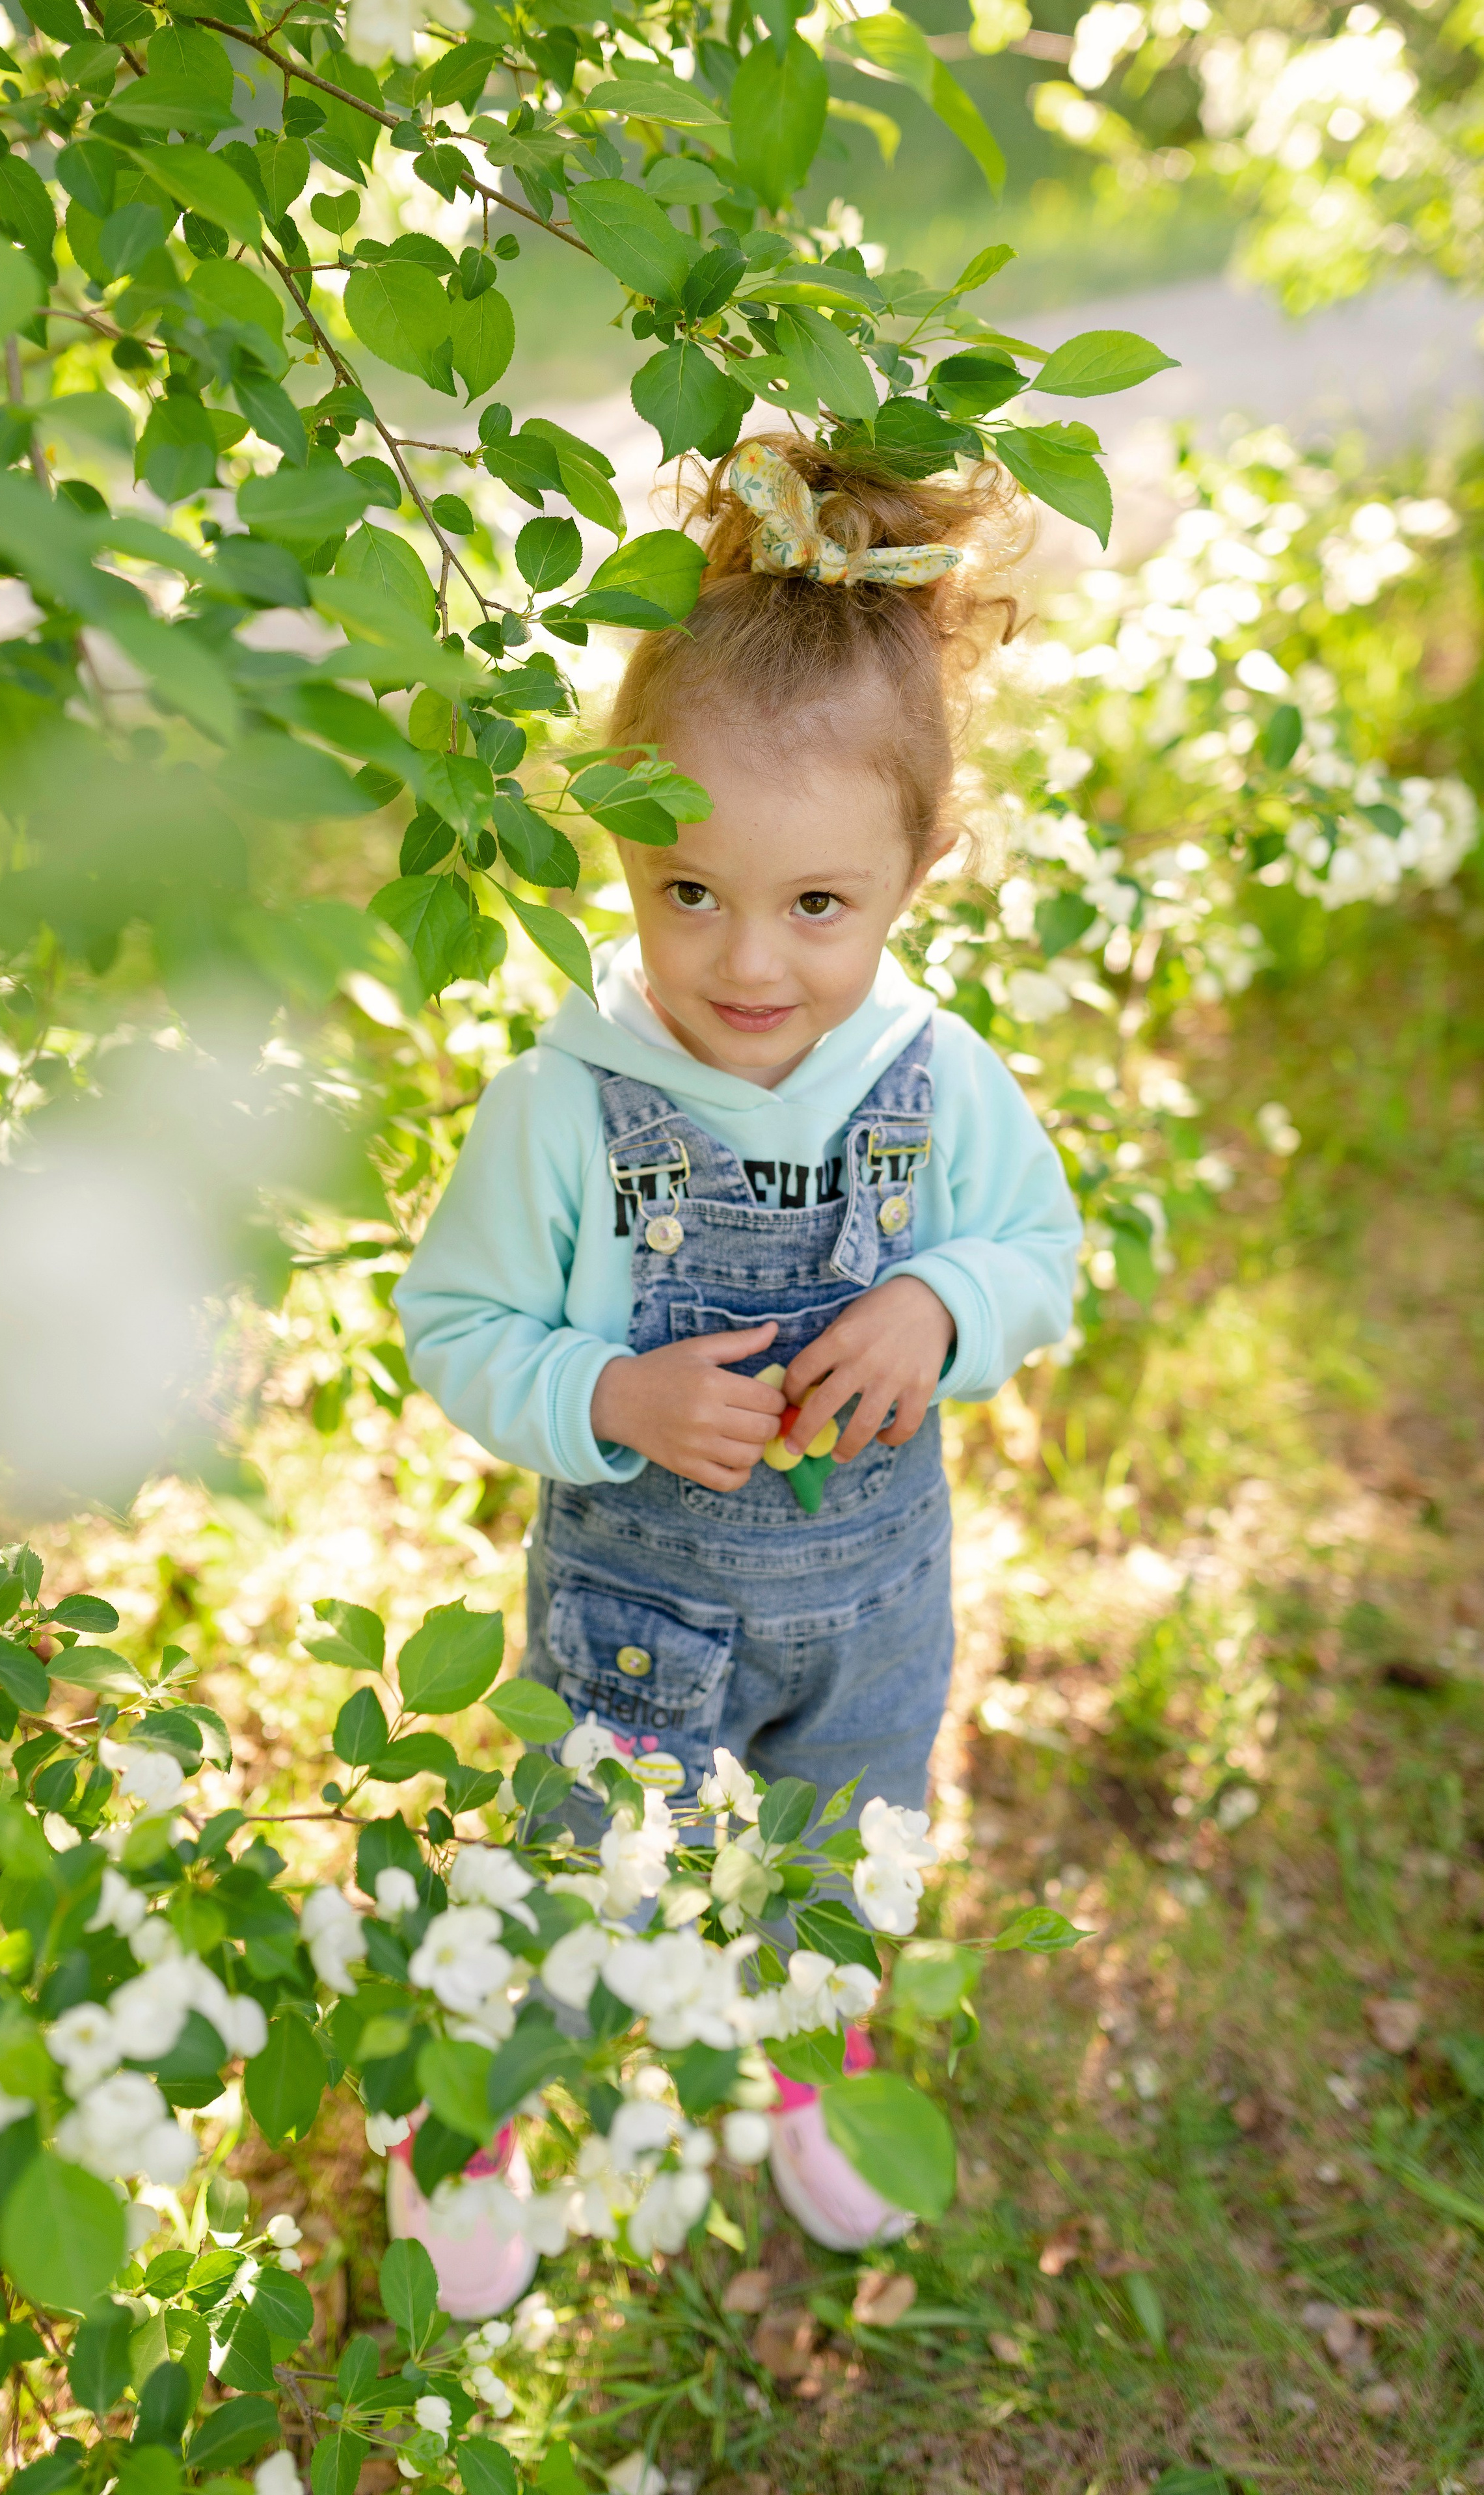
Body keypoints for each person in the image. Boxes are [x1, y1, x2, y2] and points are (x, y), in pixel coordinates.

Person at [391, 435, 1081, 2279]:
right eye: (689, 891)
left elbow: (1041, 1256)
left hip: (870, 1613)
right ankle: (483, 2098)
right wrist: (604, 1396)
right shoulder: (571, 1100)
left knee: (841, 1854)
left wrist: (944, 1305)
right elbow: (452, 1321)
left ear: (913, 868)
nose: (749, 960)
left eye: (816, 905)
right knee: (572, 1872)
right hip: (639, 1616)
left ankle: (812, 2061)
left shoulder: (943, 1087)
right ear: (622, 837)